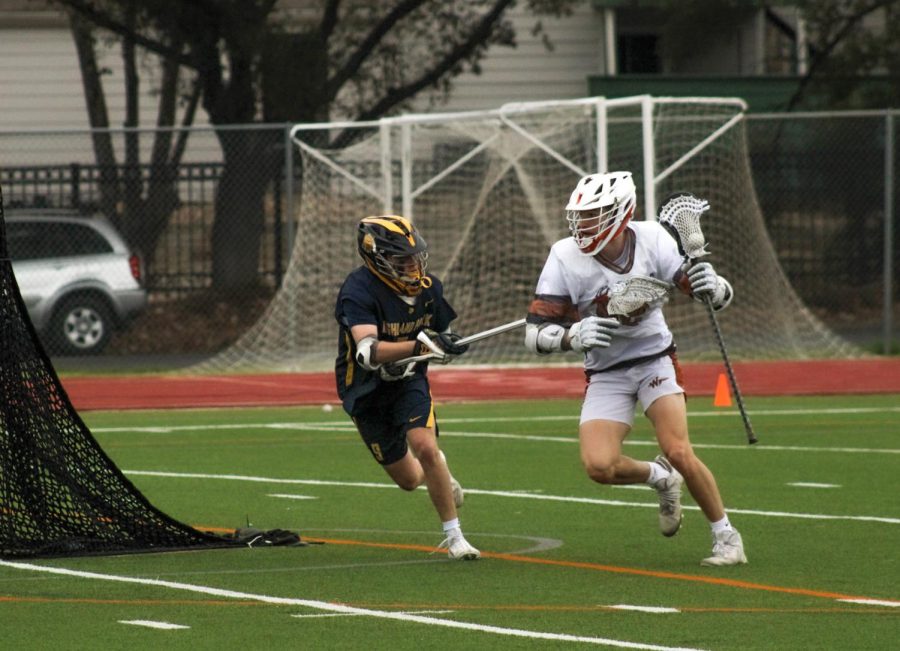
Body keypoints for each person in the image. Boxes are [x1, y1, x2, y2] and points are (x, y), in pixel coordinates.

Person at [524, 171, 747, 566]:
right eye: (581, 215)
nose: (583, 225)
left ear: (622, 214)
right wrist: (570, 336)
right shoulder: (564, 255)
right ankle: (659, 478)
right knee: (599, 466)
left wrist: (716, 286)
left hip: (653, 358)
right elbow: (534, 333)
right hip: (606, 371)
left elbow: (700, 290)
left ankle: (726, 537)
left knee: (677, 448)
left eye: (595, 215)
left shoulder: (653, 239)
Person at [335, 214, 480, 561]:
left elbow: (438, 337)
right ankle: (438, 471)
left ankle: (455, 537)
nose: (413, 267)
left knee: (424, 446)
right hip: (366, 391)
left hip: (409, 381)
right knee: (409, 480)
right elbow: (369, 353)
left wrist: (446, 345)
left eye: (415, 258)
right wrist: (421, 346)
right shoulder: (357, 290)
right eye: (402, 260)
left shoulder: (430, 289)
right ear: (376, 258)